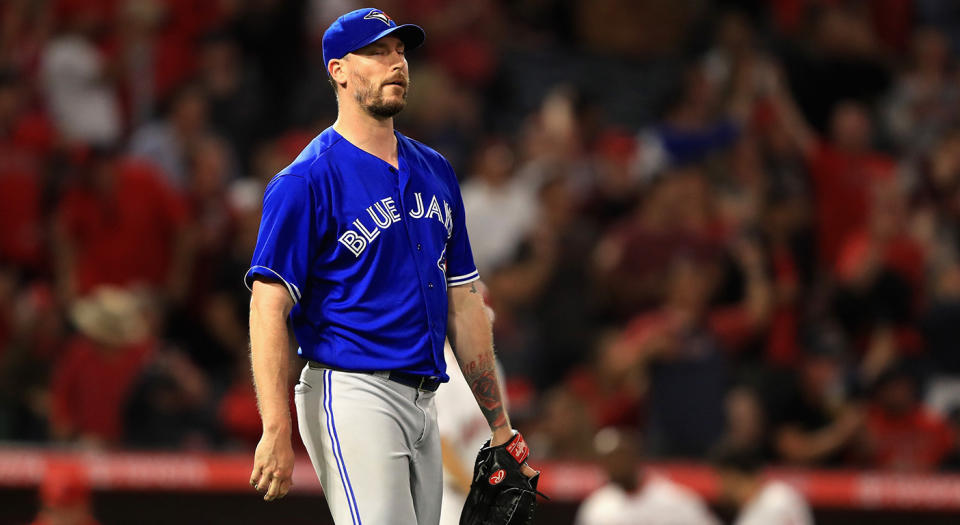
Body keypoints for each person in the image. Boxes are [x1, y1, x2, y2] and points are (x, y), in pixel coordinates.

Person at [244, 7, 535, 524]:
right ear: (337, 70)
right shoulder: (306, 179)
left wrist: (500, 426)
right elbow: (268, 305)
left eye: (400, 50)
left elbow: (464, 303)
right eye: (376, 52)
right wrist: (274, 427)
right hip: (351, 387)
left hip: (428, 399)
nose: (396, 62)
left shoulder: (436, 170)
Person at [574, 427, 720, 525]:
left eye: (619, 456)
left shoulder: (675, 500)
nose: (614, 464)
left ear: (635, 456)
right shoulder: (597, 507)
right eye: (608, 459)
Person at [714, 446, 814, 525]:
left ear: (733, 477)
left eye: (723, 480)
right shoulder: (784, 492)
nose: (721, 489)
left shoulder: (760, 513)